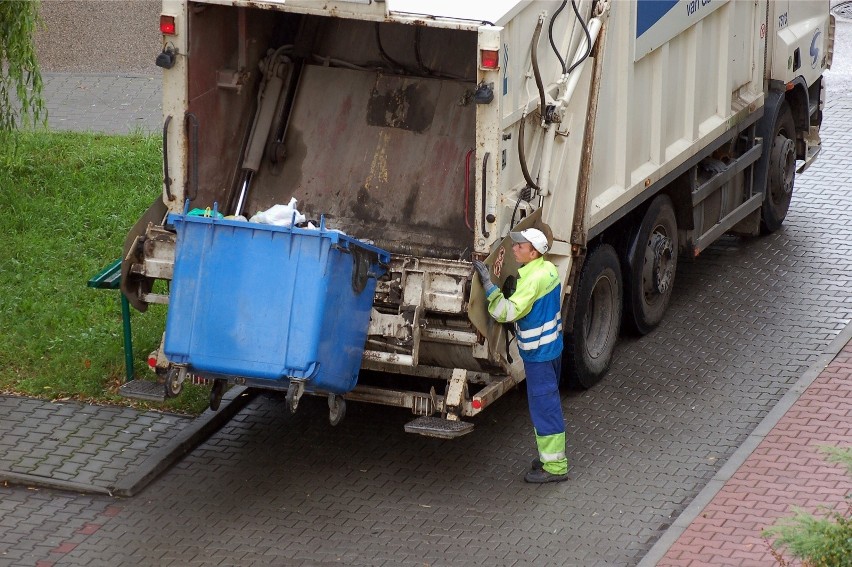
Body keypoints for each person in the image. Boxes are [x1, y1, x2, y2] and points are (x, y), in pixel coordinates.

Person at [473, 227, 568, 483]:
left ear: (533, 252)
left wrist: (489, 288)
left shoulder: (533, 279)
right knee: (546, 404)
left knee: (544, 408)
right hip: (552, 349)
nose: (514, 249)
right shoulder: (547, 270)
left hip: (538, 354)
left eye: (520, 247)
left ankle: (555, 467)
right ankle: (549, 458)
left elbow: (507, 312)